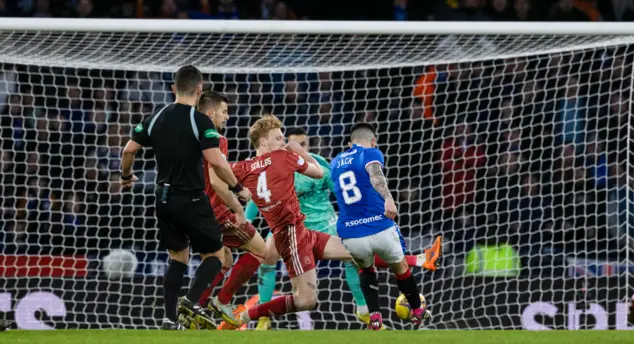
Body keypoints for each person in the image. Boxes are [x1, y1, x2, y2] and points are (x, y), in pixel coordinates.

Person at [228, 115, 439, 328]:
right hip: (291, 232)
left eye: (303, 144)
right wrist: (244, 217)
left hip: (319, 226)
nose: (288, 144)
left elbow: (334, 186)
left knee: (358, 251)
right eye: (282, 139)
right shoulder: (280, 161)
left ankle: (367, 307)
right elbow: (257, 193)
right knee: (292, 283)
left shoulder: (289, 162)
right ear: (265, 141)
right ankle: (256, 315)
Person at [119, 65, 251, 330]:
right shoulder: (199, 121)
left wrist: (126, 177)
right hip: (190, 198)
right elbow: (216, 161)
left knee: (178, 256)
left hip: (162, 198)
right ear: (199, 89)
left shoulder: (155, 117)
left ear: (173, 89)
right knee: (217, 255)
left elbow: (128, 150)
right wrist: (238, 188)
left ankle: (169, 319)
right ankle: (191, 301)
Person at [331, 122, 441, 330]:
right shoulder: (371, 153)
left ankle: (374, 318)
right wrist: (388, 198)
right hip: (379, 225)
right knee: (400, 268)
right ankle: (418, 310)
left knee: (365, 269)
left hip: (351, 232)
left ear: (349, 143)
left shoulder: (336, 162)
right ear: (373, 141)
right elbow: (375, 174)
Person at [194, 91, 267, 327]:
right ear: (211, 112)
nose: (227, 117)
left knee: (223, 260)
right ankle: (222, 301)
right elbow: (217, 182)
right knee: (260, 250)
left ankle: (195, 311)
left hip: (194, 210)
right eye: (224, 111)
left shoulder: (190, 137)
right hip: (216, 210)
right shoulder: (216, 138)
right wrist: (239, 208)